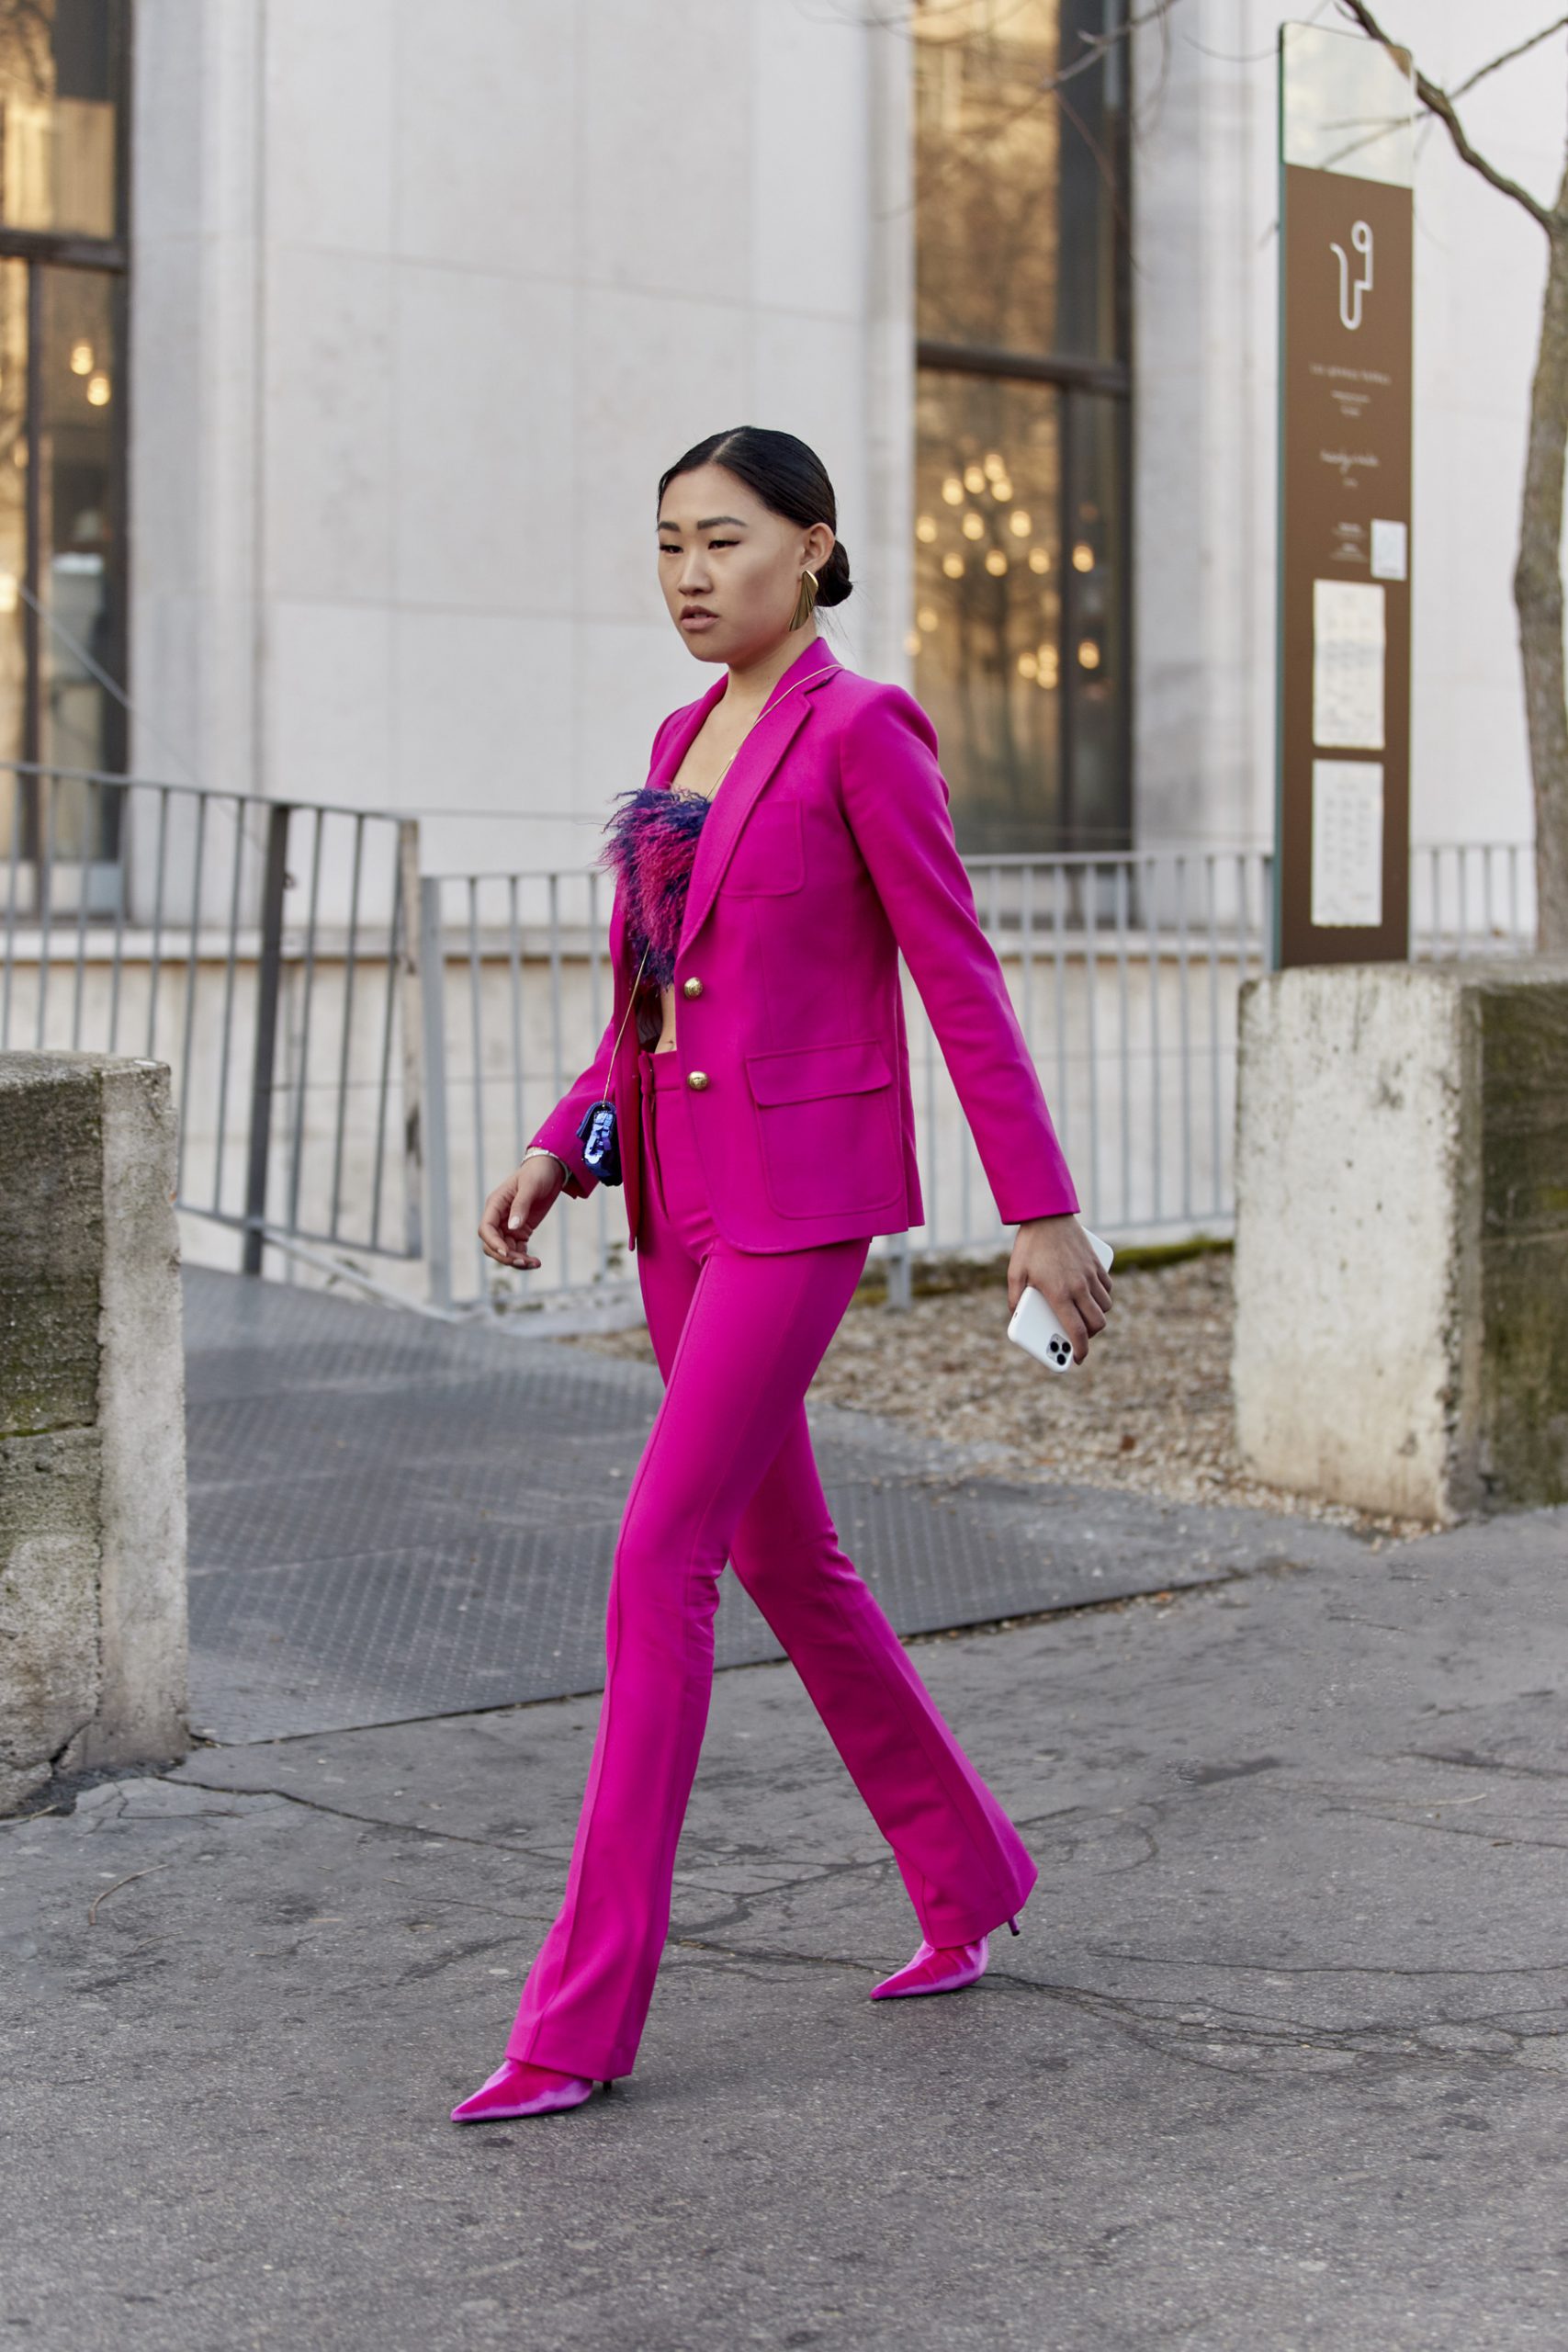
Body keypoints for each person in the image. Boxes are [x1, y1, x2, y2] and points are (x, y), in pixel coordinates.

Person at [453, 427, 1111, 2123]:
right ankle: (969, 1877)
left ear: (814, 550)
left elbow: (955, 975)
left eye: (725, 540)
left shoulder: (864, 727)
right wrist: (564, 1134)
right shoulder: (681, 734)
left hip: (801, 1204)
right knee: (791, 1563)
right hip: (671, 1197)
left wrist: (1037, 1207)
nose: (688, 572)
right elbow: (649, 1002)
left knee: (661, 1550)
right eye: (667, 542)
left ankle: (578, 2019)